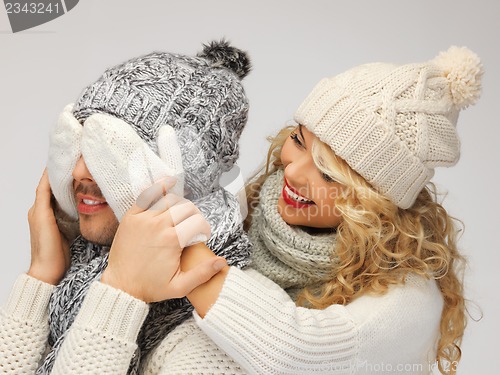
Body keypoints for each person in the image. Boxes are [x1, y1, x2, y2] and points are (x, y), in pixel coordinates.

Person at [92, 46, 483, 374]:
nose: (292, 171)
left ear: (374, 200)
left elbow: (296, 349)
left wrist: (171, 234)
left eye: (329, 175)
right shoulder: (254, 210)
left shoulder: (410, 294)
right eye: (298, 140)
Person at [0, 40, 252, 374]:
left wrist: (122, 292)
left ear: (183, 174)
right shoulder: (79, 273)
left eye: (109, 154)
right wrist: (40, 279)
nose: (77, 172)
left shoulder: (209, 335)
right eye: (79, 143)